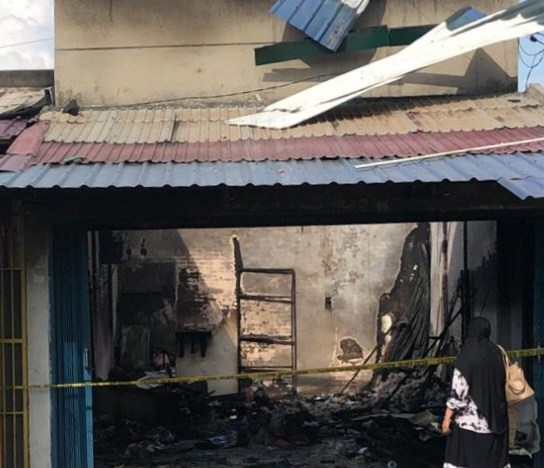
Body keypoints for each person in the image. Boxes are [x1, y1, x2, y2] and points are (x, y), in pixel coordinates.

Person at [442, 317, 510, 468]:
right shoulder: (497, 352)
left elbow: (459, 391)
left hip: (470, 424)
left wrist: (447, 417)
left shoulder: (467, 354)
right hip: (497, 422)